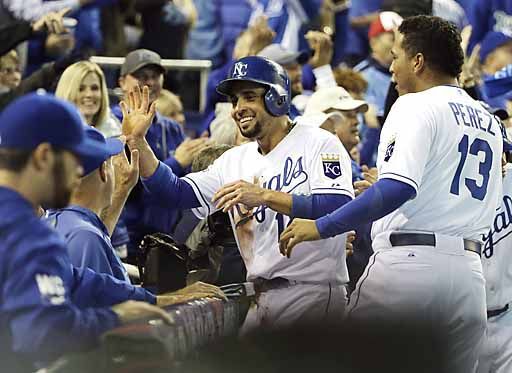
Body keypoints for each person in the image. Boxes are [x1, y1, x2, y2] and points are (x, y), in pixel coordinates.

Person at [280, 16, 503, 373]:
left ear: (418, 61)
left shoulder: (415, 104)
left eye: (397, 55)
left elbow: (399, 186)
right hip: (468, 278)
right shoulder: (488, 119)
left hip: (408, 271)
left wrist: (320, 227)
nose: (392, 66)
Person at [122, 57, 355, 331]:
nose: (238, 109)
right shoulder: (233, 161)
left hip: (312, 292)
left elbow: (339, 204)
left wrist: (265, 196)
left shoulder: (319, 142)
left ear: (277, 98)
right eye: (234, 101)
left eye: (249, 97)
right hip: (261, 296)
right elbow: (174, 193)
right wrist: (139, 143)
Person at [0, 92, 225, 371]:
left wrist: (154, 299)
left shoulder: (18, 220)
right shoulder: (25, 231)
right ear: (44, 156)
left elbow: (77, 279)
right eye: (76, 162)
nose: (77, 175)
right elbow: (47, 334)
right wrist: (114, 318)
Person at [113, 49, 210, 255]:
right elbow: (120, 182)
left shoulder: (171, 126)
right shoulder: (112, 124)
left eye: (155, 76)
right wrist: (175, 162)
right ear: (122, 82)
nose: (150, 82)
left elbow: (184, 183)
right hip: (126, 237)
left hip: (167, 237)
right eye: (141, 76)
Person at [46, 127, 133, 282]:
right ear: (104, 170)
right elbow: (100, 304)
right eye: (111, 163)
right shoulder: (85, 236)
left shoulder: (59, 220)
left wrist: (123, 190)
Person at [477, 113, 512, 373]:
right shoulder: (440, 193)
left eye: (504, 150)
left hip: (508, 320)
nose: (501, 160)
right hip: (462, 324)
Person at [56, 61, 122, 138]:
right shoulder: (56, 135)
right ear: (66, 92)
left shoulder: (113, 128)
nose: (89, 94)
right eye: (81, 89)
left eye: (94, 88)